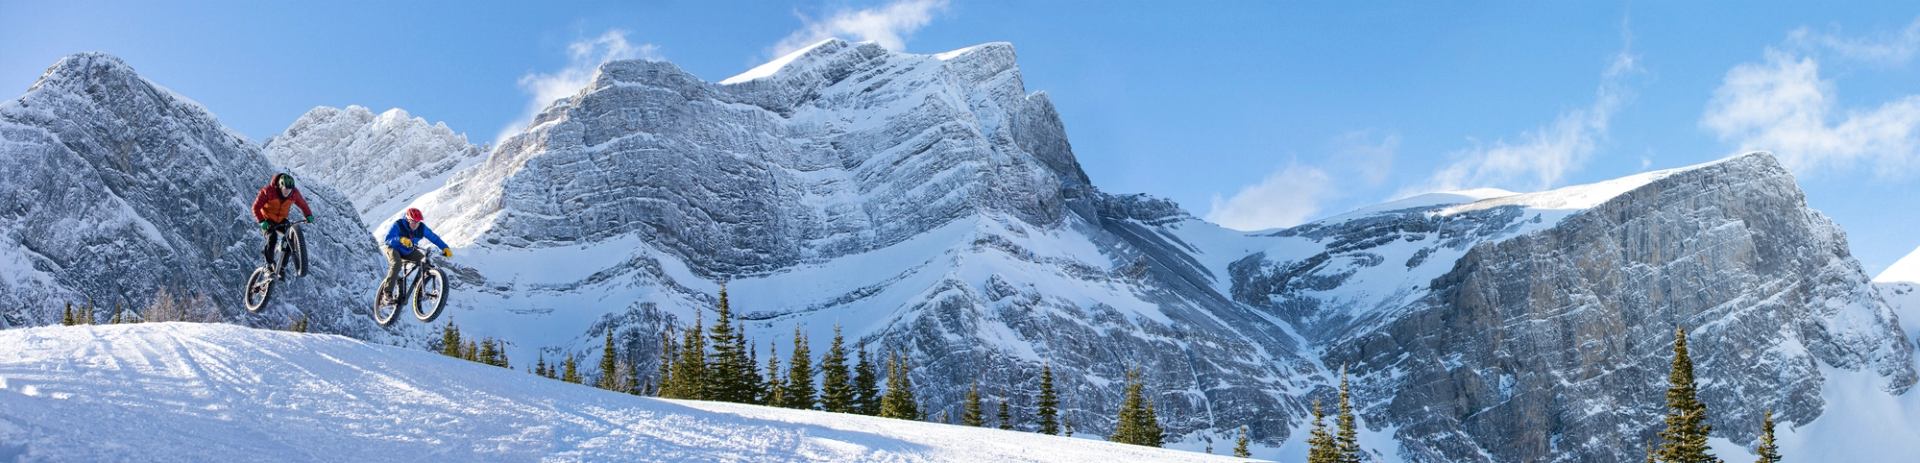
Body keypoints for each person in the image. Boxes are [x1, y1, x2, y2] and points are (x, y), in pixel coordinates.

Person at [381, 207, 451, 297]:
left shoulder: (421, 228)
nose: (415, 225)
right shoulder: (398, 225)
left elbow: (434, 238)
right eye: (413, 222)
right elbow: (387, 240)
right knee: (396, 264)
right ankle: (387, 293)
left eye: (417, 222)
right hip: (393, 248)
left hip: (408, 251)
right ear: (407, 219)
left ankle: (419, 289)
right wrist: (401, 239)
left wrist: (445, 248)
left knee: (425, 263)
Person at [251, 173, 313, 271]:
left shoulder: (294, 194)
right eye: (285, 189)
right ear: (280, 186)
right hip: (267, 220)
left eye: (289, 190)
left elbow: (303, 204)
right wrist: (262, 221)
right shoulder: (268, 192)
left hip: (281, 220)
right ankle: (269, 264)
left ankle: (281, 267)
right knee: (272, 237)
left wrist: (308, 215)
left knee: (290, 239)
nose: (287, 192)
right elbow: (256, 207)